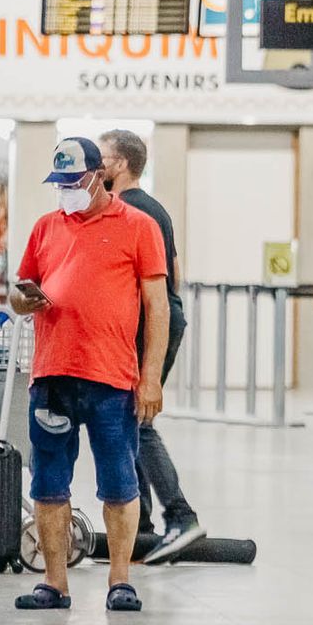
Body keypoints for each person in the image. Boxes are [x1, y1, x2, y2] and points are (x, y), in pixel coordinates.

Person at [9, 136, 169, 612]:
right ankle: (54, 583)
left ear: (100, 175)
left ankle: (120, 580)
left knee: (119, 483)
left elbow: (156, 306)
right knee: (48, 483)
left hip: (111, 377)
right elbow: (19, 294)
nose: (65, 191)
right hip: (52, 376)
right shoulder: (45, 228)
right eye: (58, 183)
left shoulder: (139, 227)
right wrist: (25, 299)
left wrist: (152, 376)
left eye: (73, 181)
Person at [100, 128, 206, 564]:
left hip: (149, 323)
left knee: (139, 420)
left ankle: (181, 516)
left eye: (101, 157)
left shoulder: (126, 210)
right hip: (157, 320)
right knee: (129, 420)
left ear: (121, 163)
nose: (95, 165)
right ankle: (139, 526)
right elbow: (175, 272)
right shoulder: (155, 209)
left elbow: (155, 286)